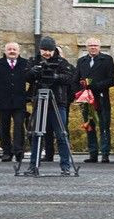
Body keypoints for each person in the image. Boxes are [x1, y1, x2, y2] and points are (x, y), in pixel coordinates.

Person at [24, 37, 77, 176]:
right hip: (40, 100)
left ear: (54, 50)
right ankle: (33, 165)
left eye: (49, 50)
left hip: (57, 102)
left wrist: (56, 77)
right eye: (44, 50)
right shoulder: (34, 61)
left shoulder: (61, 62)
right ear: (40, 49)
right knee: (36, 134)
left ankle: (65, 166)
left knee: (61, 135)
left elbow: (70, 78)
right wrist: (33, 72)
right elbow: (25, 77)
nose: (47, 53)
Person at [76, 38, 114, 163]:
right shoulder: (82, 61)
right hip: (86, 99)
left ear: (99, 47)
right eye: (90, 45)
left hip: (101, 98)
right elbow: (76, 79)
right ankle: (92, 153)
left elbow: (113, 80)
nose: (93, 47)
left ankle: (105, 153)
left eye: (95, 45)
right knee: (90, 126)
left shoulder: (106, 60)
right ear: (86, 47)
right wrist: (79, 92)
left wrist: (96, 85)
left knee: (104, 125)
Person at [0, 42, 29, 164]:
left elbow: (32, 81)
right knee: (4, 128)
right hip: (2, 102)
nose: (12, 51)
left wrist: (28, 95)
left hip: (19, 102)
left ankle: (19, 151)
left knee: (19, 126)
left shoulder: (25, 64)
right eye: (9, 49)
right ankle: (7, 152)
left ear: (19, 51)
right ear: (5, 51)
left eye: (14, 49)